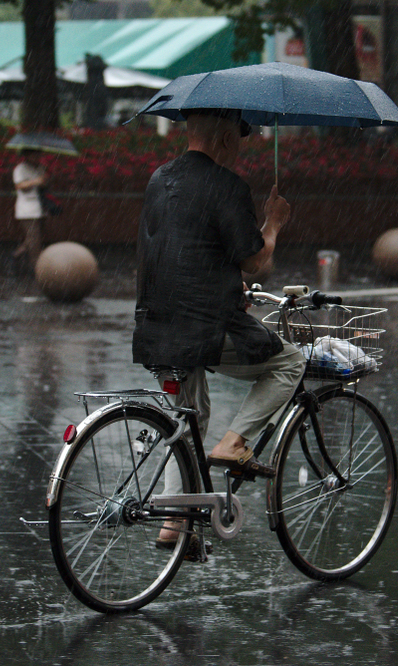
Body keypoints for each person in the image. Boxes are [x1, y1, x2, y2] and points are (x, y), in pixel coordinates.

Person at [132, 108, 307, 547]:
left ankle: (176, 523)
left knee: (187, 417)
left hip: (155, 324)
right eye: (240, 139)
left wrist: (228, 286)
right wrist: (274, 222)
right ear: (227, 139)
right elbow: (253, 259)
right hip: (204, 326)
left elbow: (184, 249)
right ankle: (235, 442)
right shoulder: (225, 185)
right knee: (291, 361)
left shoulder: (159, 179)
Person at [12, 149, 47, 265]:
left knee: (35, 237)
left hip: (40, 208)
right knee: (34, 239)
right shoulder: (20, 169)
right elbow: (20, 185)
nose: (37, 157)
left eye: (38, 154)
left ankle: (16, 255)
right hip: (27, 209)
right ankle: (36, 264)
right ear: (27, 156)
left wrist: (44, 181)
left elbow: (43, 184)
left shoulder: (41, 168)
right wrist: (35, 181)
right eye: (34, 155)